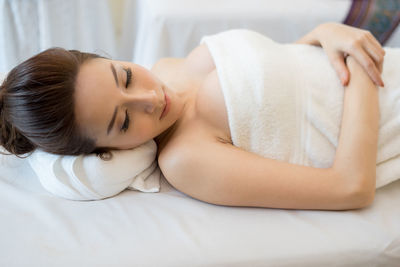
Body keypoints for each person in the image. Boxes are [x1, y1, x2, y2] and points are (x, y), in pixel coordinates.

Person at [0, 23, 388, 210]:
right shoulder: (186, 160)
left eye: (127, 76)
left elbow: (287, 74)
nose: (150, 98)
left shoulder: (170, 66)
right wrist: (359, 60)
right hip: (380, 94)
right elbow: (350, 187)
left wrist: (325, 34)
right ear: (104, 150)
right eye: (124, 122)